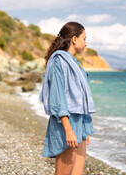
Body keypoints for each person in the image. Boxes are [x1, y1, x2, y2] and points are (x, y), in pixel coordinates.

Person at [39, 21, 95, 175]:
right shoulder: (58, 61)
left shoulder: (74, 63)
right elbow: (58, 97)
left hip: (80, 122)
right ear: (74, 39)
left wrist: (85, 128)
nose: (86, 43)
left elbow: (80, 98)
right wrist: (68, 129)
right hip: (66, 122)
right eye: (84, 38)